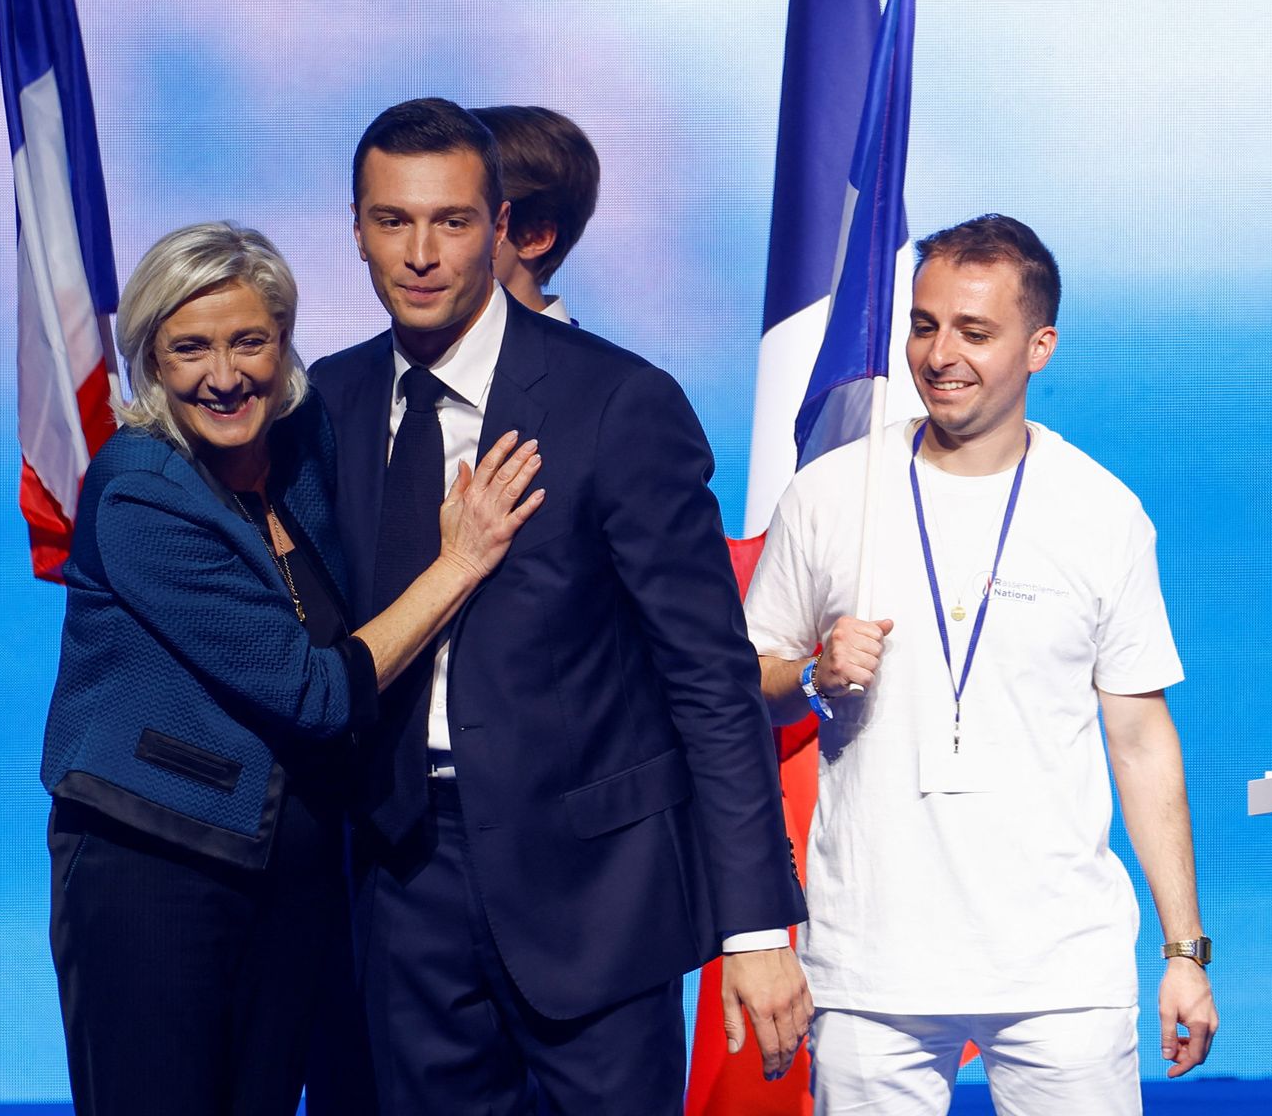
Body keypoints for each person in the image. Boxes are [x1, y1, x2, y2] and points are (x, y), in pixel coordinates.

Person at [309, 97, 808, 1116]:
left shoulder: (616, 401)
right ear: (356, 229)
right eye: (392, 221)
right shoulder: (330, 401)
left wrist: (756, 929)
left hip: (598, 892)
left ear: (498, 225)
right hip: (404, 885)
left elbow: (707, 677)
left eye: (450, 222)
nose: (420, 254)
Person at [41, 221, 543, 1116]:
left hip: (292, 875)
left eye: (249, 342)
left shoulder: (299, 451)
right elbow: (311, 691)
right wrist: (460, 565)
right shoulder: (140, 490)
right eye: (190, 348)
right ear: (150, 359)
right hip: (153, 868)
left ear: (284, 343)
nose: (224, 375)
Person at [745, 214, 1219, 1114]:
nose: (940, 356)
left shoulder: (1101, 512)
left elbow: (1140, 738)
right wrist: (809, 674)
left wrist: (1184, 951)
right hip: (870, 965)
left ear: (1039, 347)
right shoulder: (830, 493)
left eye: (974, 332)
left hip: (1060, 967)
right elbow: (745, 679)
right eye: (924, 326)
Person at [470, 105, 600, 325]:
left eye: (454, 222)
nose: (420, 255)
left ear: (534, 237)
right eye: (407, 221)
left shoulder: (579, 350)